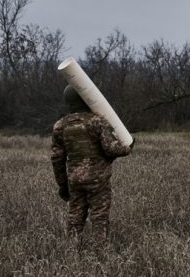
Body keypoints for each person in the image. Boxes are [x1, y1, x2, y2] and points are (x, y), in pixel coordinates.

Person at [51, 85, 133, 241]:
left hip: (74, 181)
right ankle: (98, 254)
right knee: (99, 217)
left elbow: (56, 159)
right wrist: (127, 148)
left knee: (75, 218)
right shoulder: (97, 121)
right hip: (97, 180)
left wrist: (63, 185)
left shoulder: (60, 126)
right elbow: (110, 149)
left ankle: (71, 252)